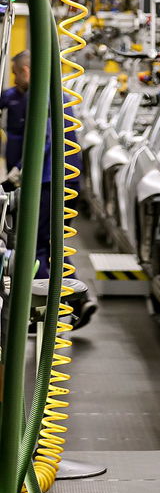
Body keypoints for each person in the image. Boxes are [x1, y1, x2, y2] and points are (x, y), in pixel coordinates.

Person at [1, 52, 90, 317]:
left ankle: (48, 310)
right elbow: (8, 97)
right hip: (58, 181)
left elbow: (43, 143)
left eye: (16, 73)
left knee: (37, 244)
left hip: (49, 183)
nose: (14, 79)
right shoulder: (38, 92)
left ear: (26, 70)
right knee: (54, 244)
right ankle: (77, 302)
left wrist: (15, 177)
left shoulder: (45, 97)